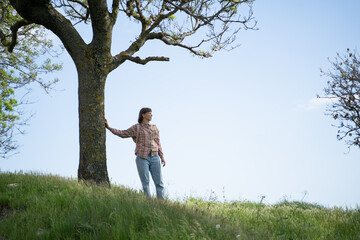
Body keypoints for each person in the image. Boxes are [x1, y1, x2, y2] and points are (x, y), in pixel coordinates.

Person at [104, 107, 166, 200]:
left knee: (159, 183)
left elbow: (158, 142)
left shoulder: (154, 128)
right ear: (143, 115)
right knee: (145, 183)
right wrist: (109, 127)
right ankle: (149, 203)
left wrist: (162, 157)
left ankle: (161, 204)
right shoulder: (137, 127)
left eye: (151, 113)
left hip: (155, 157)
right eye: (149, 113)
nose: (151, 115)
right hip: (142, 158)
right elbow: (123, 133)